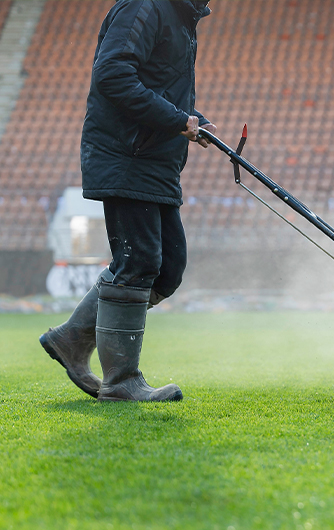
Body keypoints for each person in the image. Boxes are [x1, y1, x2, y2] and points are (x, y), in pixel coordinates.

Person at [40, 0, 216, 402]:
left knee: (167, 269)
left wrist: (192, 119)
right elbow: (113, 75)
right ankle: (120, 381)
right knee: (137, 263)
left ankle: (72, 338)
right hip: (126, 156)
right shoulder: (145, 5)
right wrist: (176, 120)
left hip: (154, 160)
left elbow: (158, 85)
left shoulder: (182, 16)